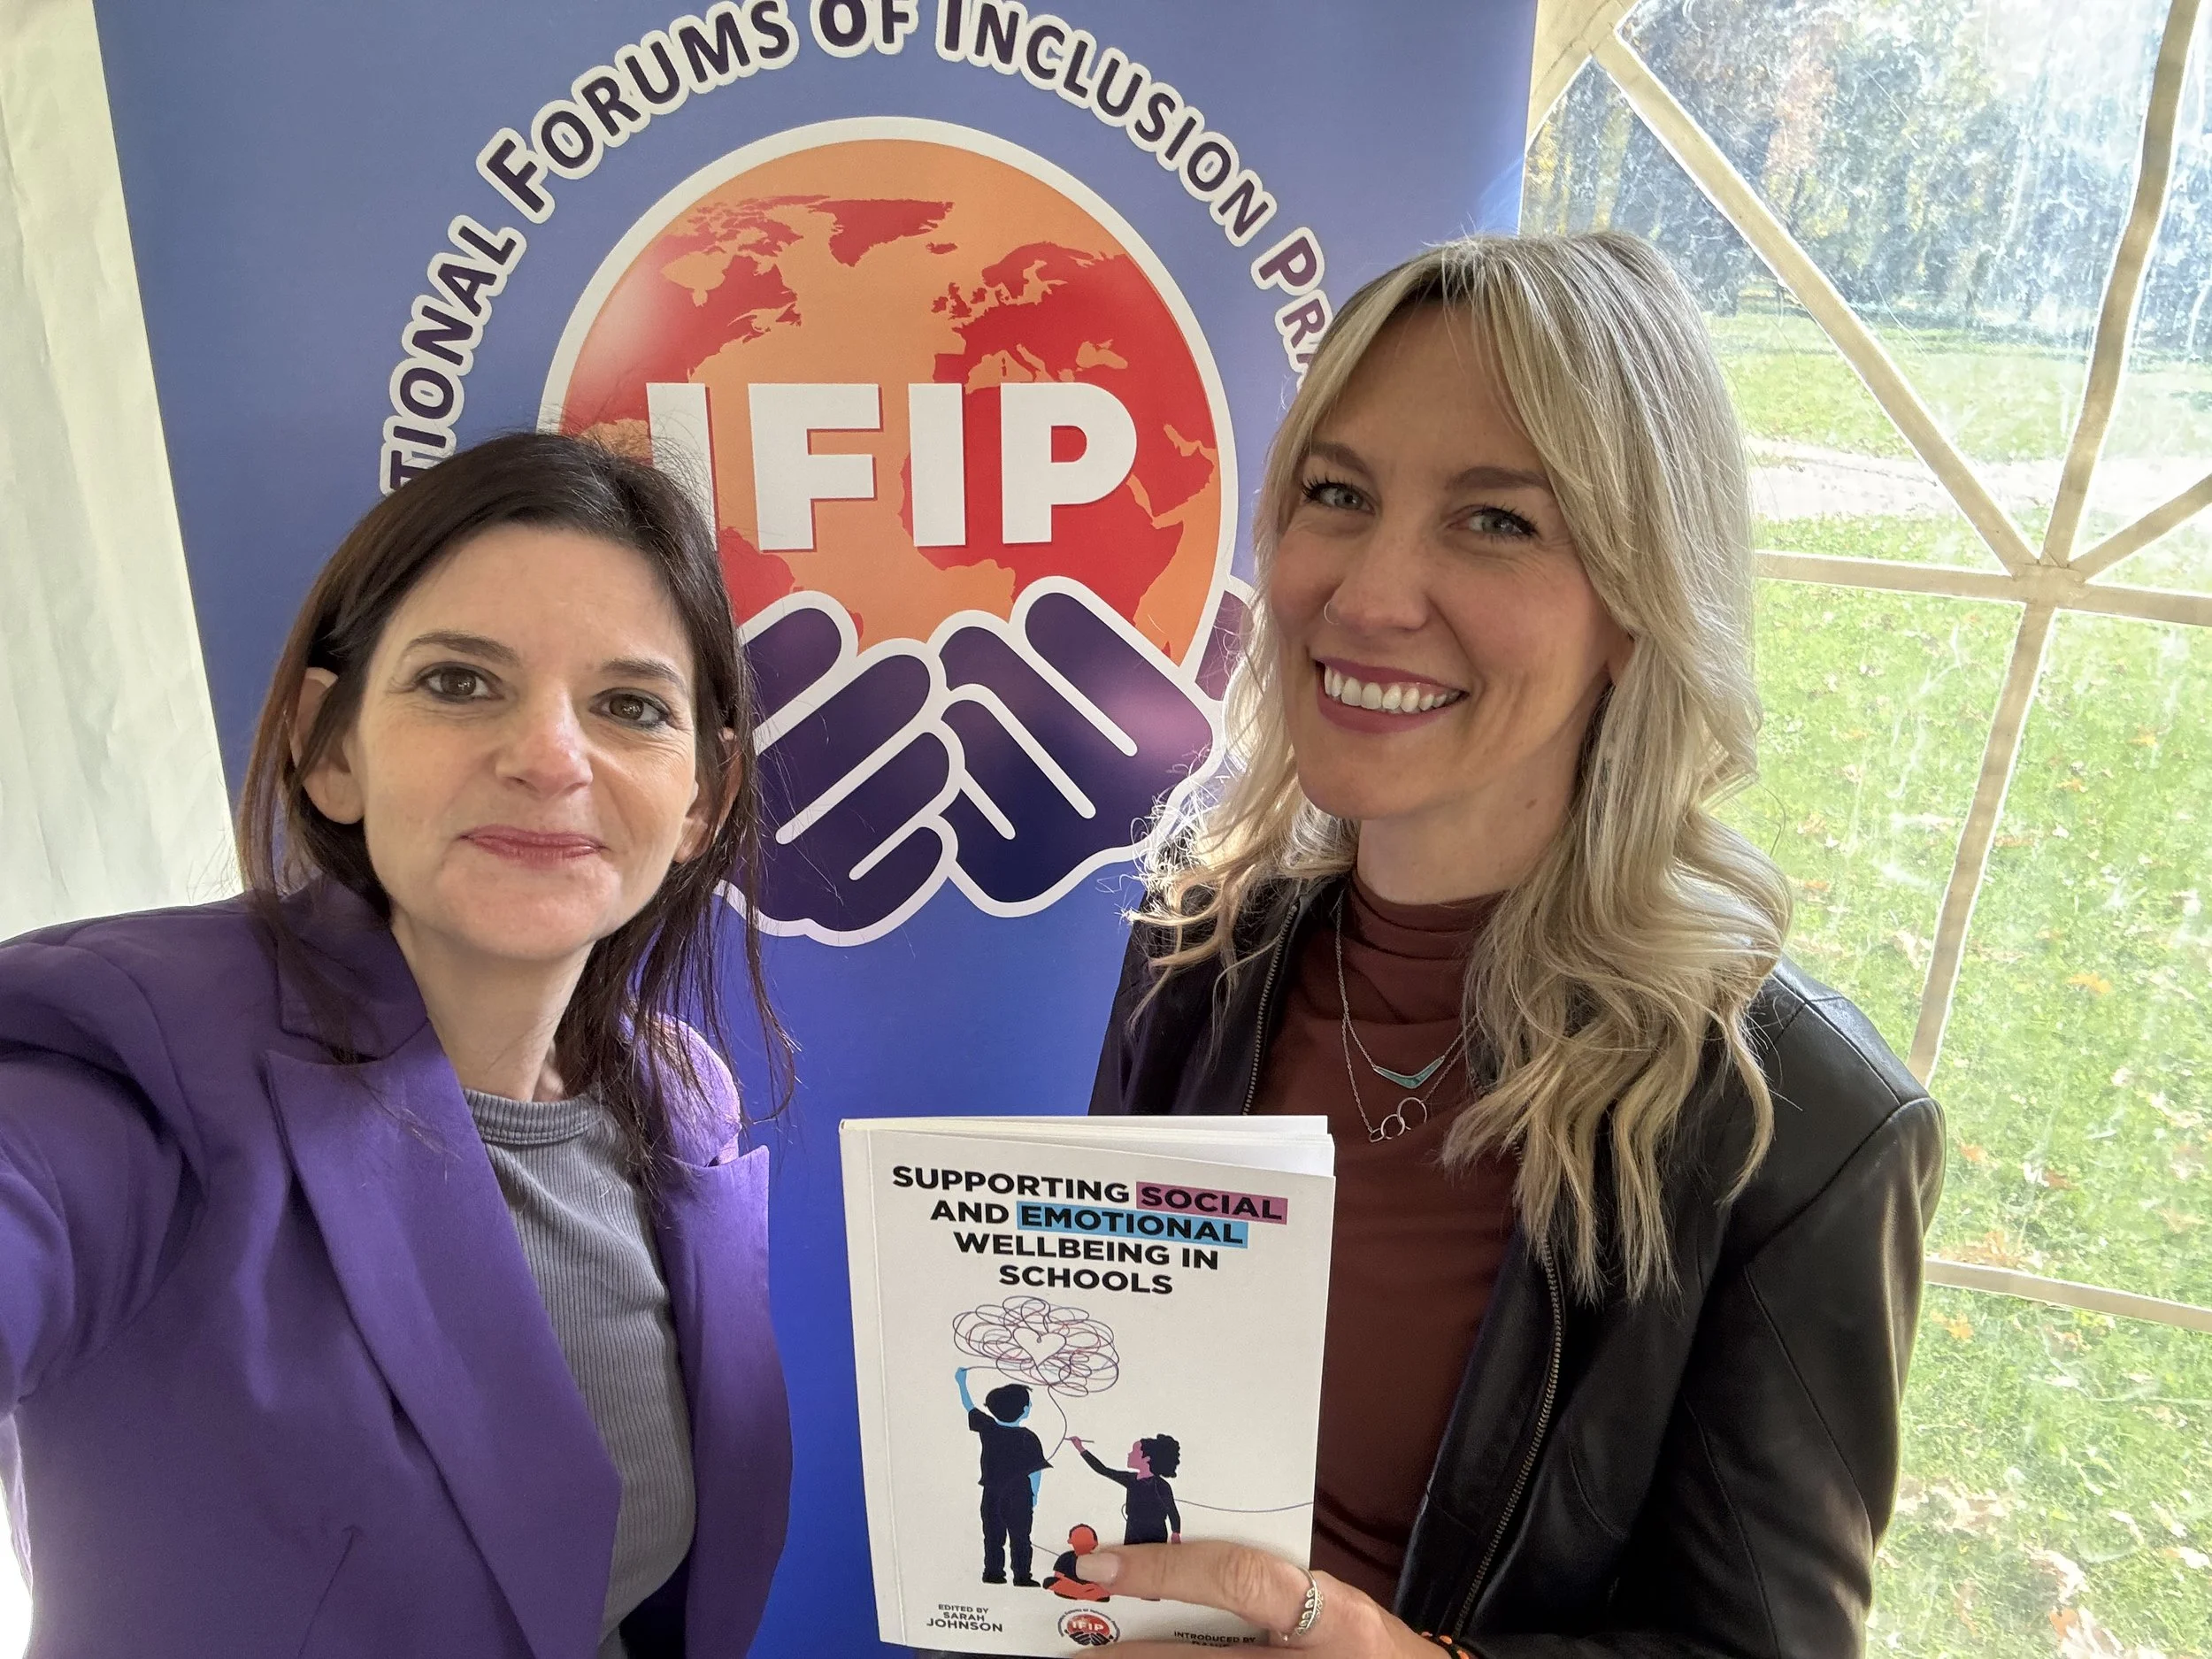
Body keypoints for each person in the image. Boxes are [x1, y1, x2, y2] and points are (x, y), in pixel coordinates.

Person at [1083, 233, 1944, 1657]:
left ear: (1636, 606)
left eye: (1496, 521)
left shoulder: (1800, 1134)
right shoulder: (1200, 944)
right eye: (1337, 494)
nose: (1364, 593)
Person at [0, 433, 794, 1658]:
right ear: (333, 748)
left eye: (630, 705)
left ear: (702, 797)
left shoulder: (680, 1088)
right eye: (460, 681)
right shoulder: (131, 1059)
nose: (548, 755)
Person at [956, 1370, 1052, 1585]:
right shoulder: (1028, 1437)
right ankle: (1022, 1576)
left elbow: (969, 1406)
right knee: (1021, 1538)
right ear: (1025, 1410)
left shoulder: (988, 1428)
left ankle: (993, 1573)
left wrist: (961, 1382)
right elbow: (1034, 1472)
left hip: (992, 1492)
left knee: (992, 1536)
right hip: (1019, 1493)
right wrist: (1035, 1495)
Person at [1068, 1434, 1182, 1546]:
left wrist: (1176, 1532)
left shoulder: (1161, 1486)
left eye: (1134, 1452)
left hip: (1155, 1533)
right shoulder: (1131, 1479)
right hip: (1133, 1531)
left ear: (1146, 1458)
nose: (1129, 1454)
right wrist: (1080, 1448)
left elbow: (1172, 1511)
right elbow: (1103, 1470)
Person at [1044, 1523, 1111, 1601]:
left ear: (1095, 1542)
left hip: (1092, 1588)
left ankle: (1081, 1594)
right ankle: (1084, 1594)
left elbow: (1107, 1580)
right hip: (1073, 1587)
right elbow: (1058, 1576)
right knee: (1049, 1581)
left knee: (1106, 1589)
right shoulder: (1066, 1557)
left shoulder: (1100, 1559)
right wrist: (1079, 1587)